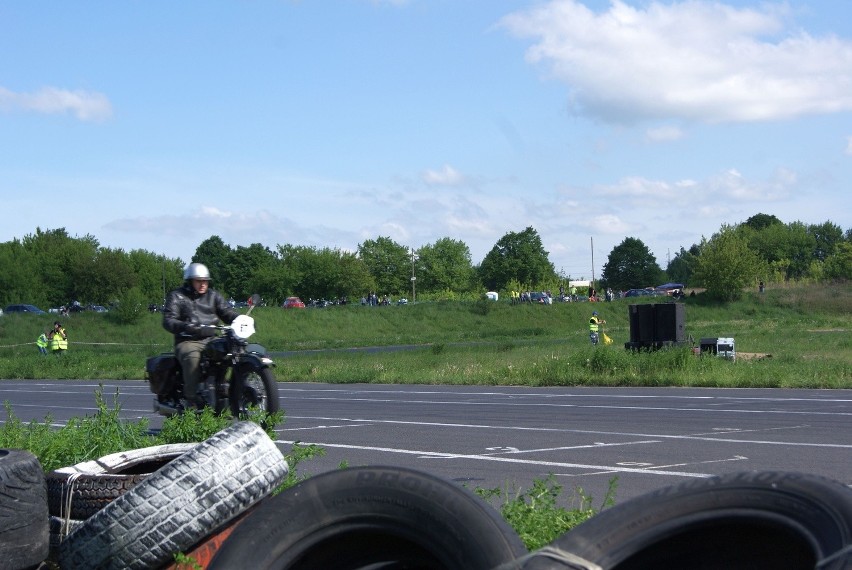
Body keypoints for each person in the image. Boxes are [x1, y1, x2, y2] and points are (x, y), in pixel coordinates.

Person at [162, 262, 238, 411]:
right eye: (199, 281)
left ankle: (228, 387)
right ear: (190, 281)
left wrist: (240, 320)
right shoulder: (177, 296)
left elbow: (226, 312)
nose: (203, 284)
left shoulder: (214, 296)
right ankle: (191, 400)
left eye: (205, 281)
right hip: (187, 340)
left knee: (233, 352)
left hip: (211, 339)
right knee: (193, 358)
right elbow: (168, 319)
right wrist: (184, 326)